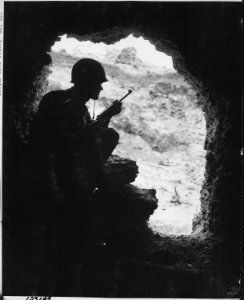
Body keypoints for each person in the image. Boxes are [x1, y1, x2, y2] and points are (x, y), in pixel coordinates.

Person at [25, 58, 122, 292]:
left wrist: (106, 118)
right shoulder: (60, 102)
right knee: (56, 251)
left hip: (72, 186)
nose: (100, 88)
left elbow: (85, 140)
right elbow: (47, 148)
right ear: (85, 82)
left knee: (68, 250)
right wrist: (54, 189)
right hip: (60, 186)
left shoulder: (79, 109)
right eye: (97, 83)